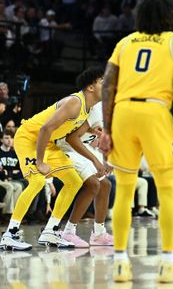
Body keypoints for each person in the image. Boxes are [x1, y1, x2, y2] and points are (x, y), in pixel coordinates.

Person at [99, 0, 173, 282]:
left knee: (124, 192)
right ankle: (168, 264)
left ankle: (119, 262)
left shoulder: (125, 43)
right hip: (155, 113)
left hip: (123, 113)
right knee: (167, 191)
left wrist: (106, 129)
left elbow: (106, 86)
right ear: (171, 16)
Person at [1, 67, 105, 251]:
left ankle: (51, 230)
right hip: (29, 138)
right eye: (102, 81)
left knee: (73, 181)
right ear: (90, 87)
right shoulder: (75, 102)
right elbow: (45, 129)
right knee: (37, 181)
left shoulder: (87, 110)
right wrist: (40, 162)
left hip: (47, 143)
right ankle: (10, 234)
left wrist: (91, 131)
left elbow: (69, 130)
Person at [57, 100, 114, 247]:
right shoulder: (97, 108)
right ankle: (68, 232)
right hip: (64, 148)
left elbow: (97, 138)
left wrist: (105, 159)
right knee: (94, 184)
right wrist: (95, 160)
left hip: (81, 149)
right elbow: (72, 138)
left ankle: (99, 234)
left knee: (105, 185)